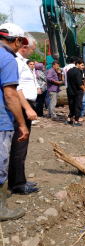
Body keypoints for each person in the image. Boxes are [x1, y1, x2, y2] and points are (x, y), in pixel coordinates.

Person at [0, 22, 30, 220]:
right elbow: (10, 95)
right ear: (17, 40)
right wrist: (21, 123)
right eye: (21, 44)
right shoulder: (8, 59)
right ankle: (1, 210)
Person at [8, 31, 40, 194]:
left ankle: (19, 178)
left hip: (25, 104)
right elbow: (16, 87)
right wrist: (27, 108)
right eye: (33, 50)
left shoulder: (22, 62)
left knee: (22, 145)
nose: (32, 53)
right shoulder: (17, 62)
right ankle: (17, 184)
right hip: (21, 105)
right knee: (19, 144)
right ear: (25, 47)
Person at [67, 58, 85, 127]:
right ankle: (76, 121)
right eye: (82, 65)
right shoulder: (78, 72)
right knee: (78, 106)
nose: (82, 67)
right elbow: (79, 83)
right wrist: (83, 88)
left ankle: (69, 119)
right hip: (77, 91)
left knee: (71, 105)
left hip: (70, 91)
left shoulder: (69, 71)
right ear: (77, 64)